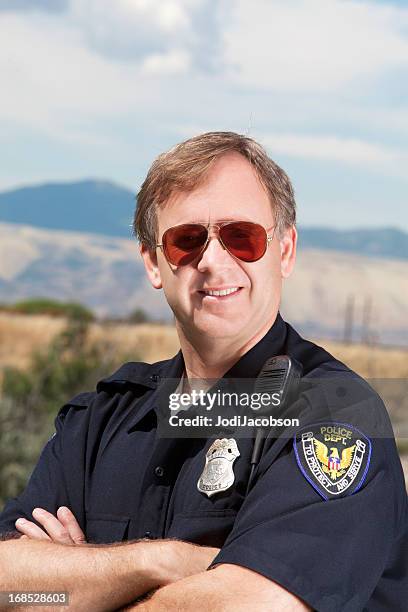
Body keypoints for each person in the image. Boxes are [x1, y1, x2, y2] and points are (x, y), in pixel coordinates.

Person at [0, 132, 406, 611]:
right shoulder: (102, 419)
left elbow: (250, 606)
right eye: (186, 241)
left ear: (286, 251)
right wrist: (162, 561)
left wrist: (79, 586)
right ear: (153, 263)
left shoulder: (337, 418)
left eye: (242, 237)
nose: (213, 261)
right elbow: (9, 582)